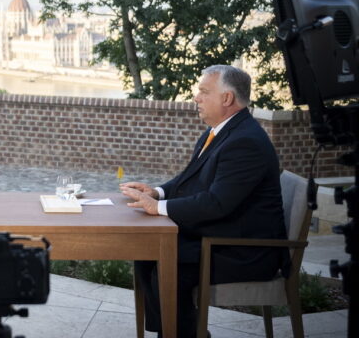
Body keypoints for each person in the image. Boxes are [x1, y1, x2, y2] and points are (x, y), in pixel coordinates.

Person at [120, 65, 288, 338]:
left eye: (203, 92)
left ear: (227, 99)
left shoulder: (245, 142)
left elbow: (216, 203)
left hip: (245, 251)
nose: (196, 98)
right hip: (221, 238)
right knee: (147, 253)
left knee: (167, 266)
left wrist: (158, 209)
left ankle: (182, 333)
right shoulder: (220, 132)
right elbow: (189, 180)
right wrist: (158, 193)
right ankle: (173, 331)